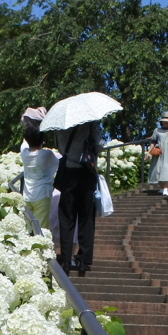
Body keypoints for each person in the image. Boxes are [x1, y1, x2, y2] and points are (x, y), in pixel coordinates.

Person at [53, 117, 100, 275]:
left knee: (66, 217)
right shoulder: (90, 122)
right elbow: (99, 144)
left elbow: (60, 148)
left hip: (67, 173)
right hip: (86, 172)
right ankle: (84, 260)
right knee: (86, 217)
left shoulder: (60, 124)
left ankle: (66, 259)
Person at [19, 108, 57, 230]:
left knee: (29, 228)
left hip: (27, 195)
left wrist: (27, 123)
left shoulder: (24, 153)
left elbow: (25, 141)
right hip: (42, 195)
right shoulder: (47, 155)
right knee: (41, 229)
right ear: (42, 140)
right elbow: (58, 164)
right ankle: (41, 249)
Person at [147, 113, 168, 197]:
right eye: (164, 121)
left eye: (167, 121)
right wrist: (148, 152)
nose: (165, 123)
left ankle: (166, 188)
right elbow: (153, 141)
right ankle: (162, 187)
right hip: (159, 153)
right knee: (158, 170)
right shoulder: (157, 130)